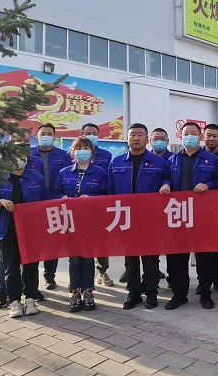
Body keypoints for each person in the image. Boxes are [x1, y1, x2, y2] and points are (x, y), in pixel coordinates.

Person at [109, 123, 170, 310]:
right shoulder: (116, 162)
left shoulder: (159, 162)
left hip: (151, 218)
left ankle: (151, 293)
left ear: (147, 139)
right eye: (132, 134)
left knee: (151, 259)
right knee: (131, 259)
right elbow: (110, 191)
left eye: (140, 135)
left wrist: (166, 184)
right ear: (127, 138)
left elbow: (168, 178)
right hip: (125, 218)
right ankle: (133, 293)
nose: (136, 138)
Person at [160, 122, 218, 310]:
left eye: (193, 133)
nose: (189, 136)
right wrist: (165, 184)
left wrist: (209, 185)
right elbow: (166, 177)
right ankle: (179, 295)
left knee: (204, 258)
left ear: (200, 137)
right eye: (186, 133)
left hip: (202, 216)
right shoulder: (172, 160)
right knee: (177, 259)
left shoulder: (212, 160)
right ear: (181, 136)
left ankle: (205, 294)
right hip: (179, 215)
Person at [0, 154, 49, 318]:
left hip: (30, 230)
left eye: (21, 156)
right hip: (7, 229)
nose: (17, 160)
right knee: (11, 267)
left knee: (31, 265)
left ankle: (30, 299)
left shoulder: (37, 178)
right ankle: (14, 301)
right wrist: (0, 202)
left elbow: (46, 203)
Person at [53, 137, 108, 312]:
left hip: (90, 222)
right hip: (70, 222)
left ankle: (88, 292)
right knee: (74, 259)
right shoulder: (64, 173)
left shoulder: (100, 173)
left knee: (88, 258)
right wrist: (62, 198)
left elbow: (108, 196)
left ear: (92, 152)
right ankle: (75, 293)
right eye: (79, 148)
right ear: (73, 152)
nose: (82, 151)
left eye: (86, 148)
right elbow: (55, 193)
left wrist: (92, 199)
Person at [31, 123, 72, 290]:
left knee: (51, 242)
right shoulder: (29, 154)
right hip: (33, 205)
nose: (46, 136)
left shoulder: (63, 155)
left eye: (49, 133)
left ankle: (49, 277)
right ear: (37, 136)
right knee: (33, 242)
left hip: (54, 203)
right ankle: (30, 280)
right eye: (43, 134)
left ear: (54, 136)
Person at [80, 123, 114, 287]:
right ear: (81, 134)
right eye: (88, 133)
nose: (91, 136)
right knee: (80, 242)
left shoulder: (106, 155)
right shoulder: (72, 154)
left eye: (94, 133)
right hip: (77, 209)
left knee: (101, 242)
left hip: (99, 205)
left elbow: (109, 181)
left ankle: (102, 271)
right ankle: (80, 276)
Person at [201, 123, 218, 294]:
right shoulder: (196, 154)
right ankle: (202, 281)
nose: (211, 139)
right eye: (208, 135)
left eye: (215, 136)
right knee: (201, 248)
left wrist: (209, 186)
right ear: (203, 137)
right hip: (199, 209)